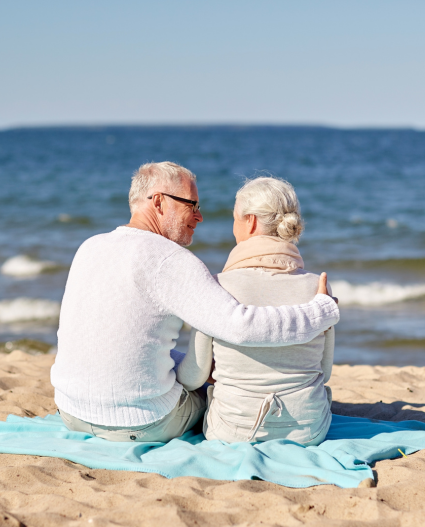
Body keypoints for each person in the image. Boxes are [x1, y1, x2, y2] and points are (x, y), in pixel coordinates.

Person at [51, 162, 339, 443]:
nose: (200, 217)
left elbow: (117, 339)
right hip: (141, 423)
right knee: (211, 394)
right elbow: (240, 327)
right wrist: (320, 312)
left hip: (71, 411)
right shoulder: (171, 260)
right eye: (192, 205)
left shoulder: (90, 246)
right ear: (159, 202)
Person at [177, 176, 335, 445]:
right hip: (310, 430)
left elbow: (193, 377)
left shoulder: (218, 287)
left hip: (233, 432)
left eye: (235, 218)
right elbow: (324, 370)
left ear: (250, 221)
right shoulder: (317, 288)